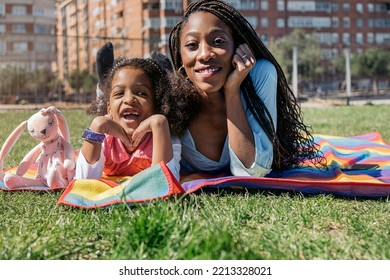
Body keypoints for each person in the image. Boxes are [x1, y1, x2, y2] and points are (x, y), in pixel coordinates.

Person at [166, 0, 324, 176]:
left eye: (218, 41)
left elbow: (252, 172)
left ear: (238, 46)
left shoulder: (260, 75)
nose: (204, 54)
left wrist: (232, 90)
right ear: (180, 56)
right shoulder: (170, 98)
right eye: (192, 45)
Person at [75, 57, 181, 180]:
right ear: (109, 109)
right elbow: (83, 181)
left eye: (141, 93)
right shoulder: (103, 138)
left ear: (157, 106)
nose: (129, 99)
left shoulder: (166, 136)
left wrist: (159, 123)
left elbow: (163, 184)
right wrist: (97, 125)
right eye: (119, 93)